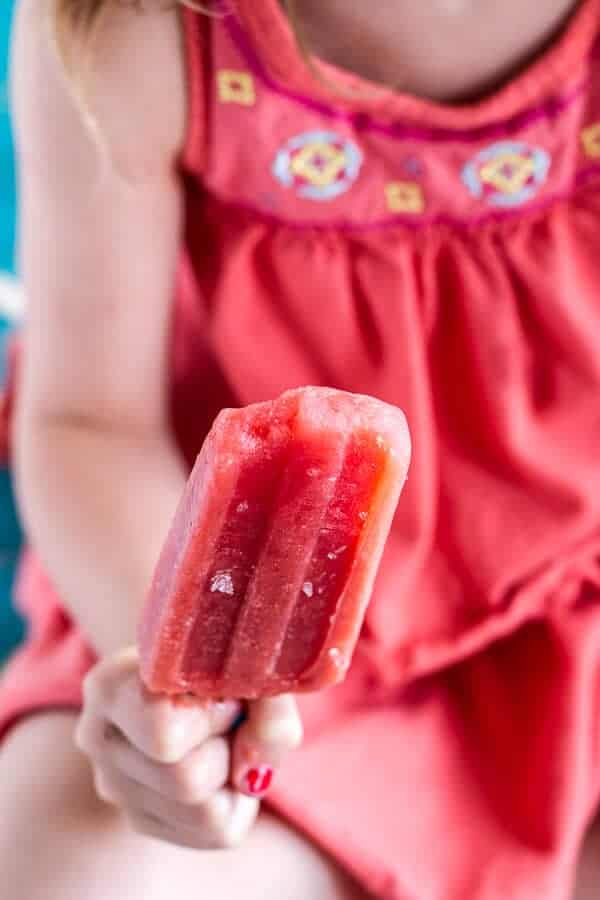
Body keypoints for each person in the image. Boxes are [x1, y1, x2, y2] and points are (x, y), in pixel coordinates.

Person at [1, 0, 600, 896]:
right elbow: (91, 423)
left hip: (579, 591)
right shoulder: (131, 26)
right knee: (65, 868)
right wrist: (194, 708)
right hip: (276, 661)